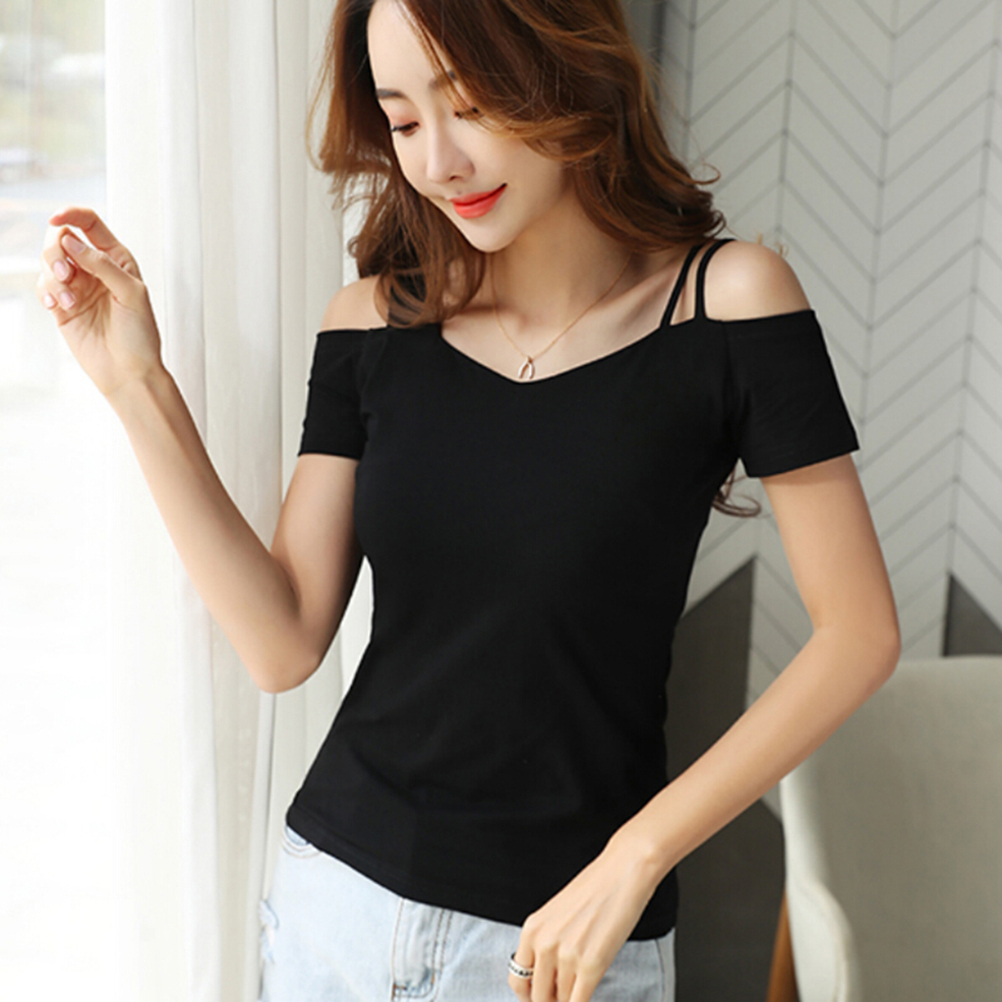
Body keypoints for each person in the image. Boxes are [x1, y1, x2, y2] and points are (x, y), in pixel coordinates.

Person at [36, 0, 902, 1000]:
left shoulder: (730, 303)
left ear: (567, 67)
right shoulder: (372, 324)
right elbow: (281, 642)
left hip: (562, 950)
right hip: (335, 919)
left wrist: (639, 852)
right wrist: (136, 383)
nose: (439, 161)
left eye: (472, 104)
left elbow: (859, 633)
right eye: (404, 121)